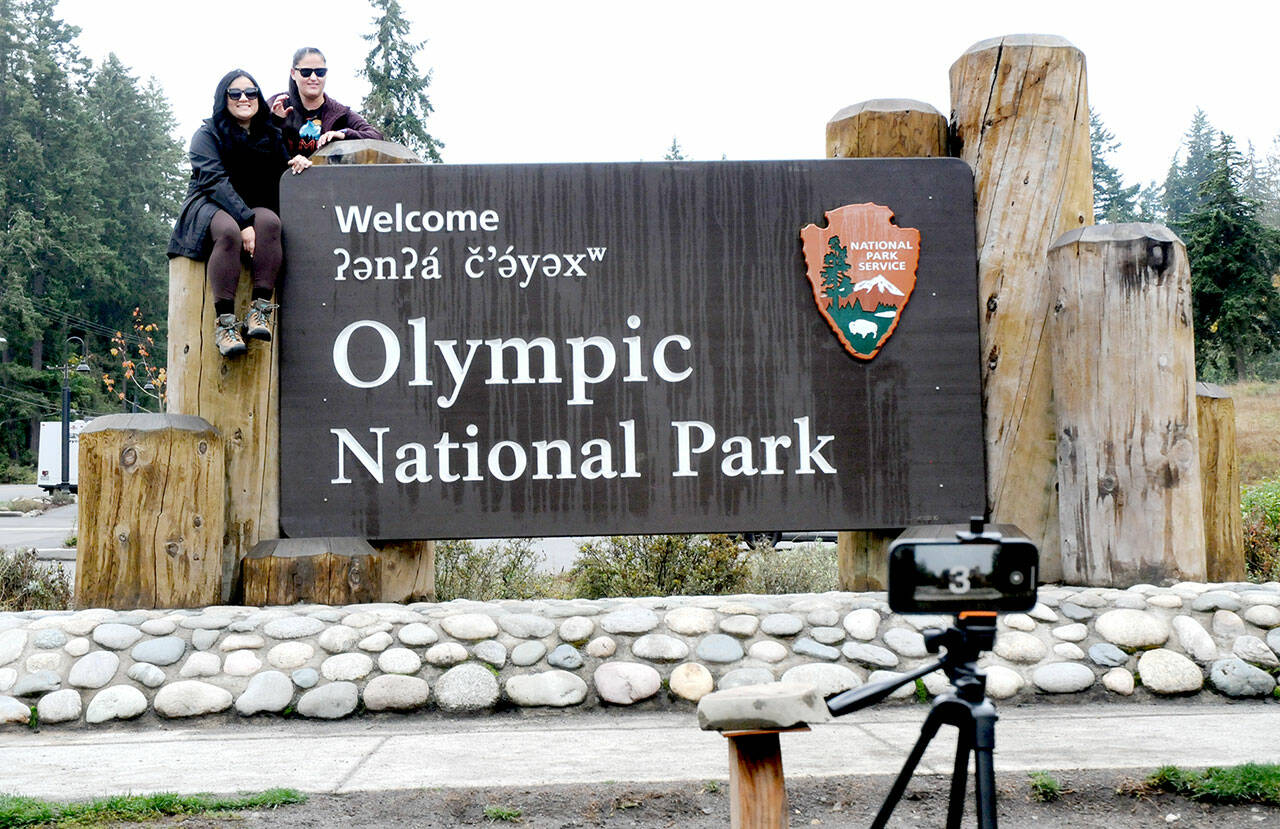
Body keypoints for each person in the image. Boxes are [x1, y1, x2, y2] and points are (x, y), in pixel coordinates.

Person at [168, 69, 309, 357]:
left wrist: (295, 162)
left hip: (249, 205)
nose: (244, 98)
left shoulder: (269, 134)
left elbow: (279, 172)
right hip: (208, 205)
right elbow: (214, 182)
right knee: (229, 232)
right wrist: (245, 222)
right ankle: (226, 325)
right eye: (235, 93)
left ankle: (260, 310)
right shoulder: (207, 134)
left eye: (251, 92)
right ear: (224, 98)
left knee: (270, 222)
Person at [270, 47, 383, 158]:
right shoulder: (278, 104)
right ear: (293, 73)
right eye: (306, 72)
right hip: (284, 174)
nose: (313, 78)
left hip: (325, 175)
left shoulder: (339, 112)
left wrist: (343, 134)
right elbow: (257, 139)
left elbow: (376, 136)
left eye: (320, 72)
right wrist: (275, 120)